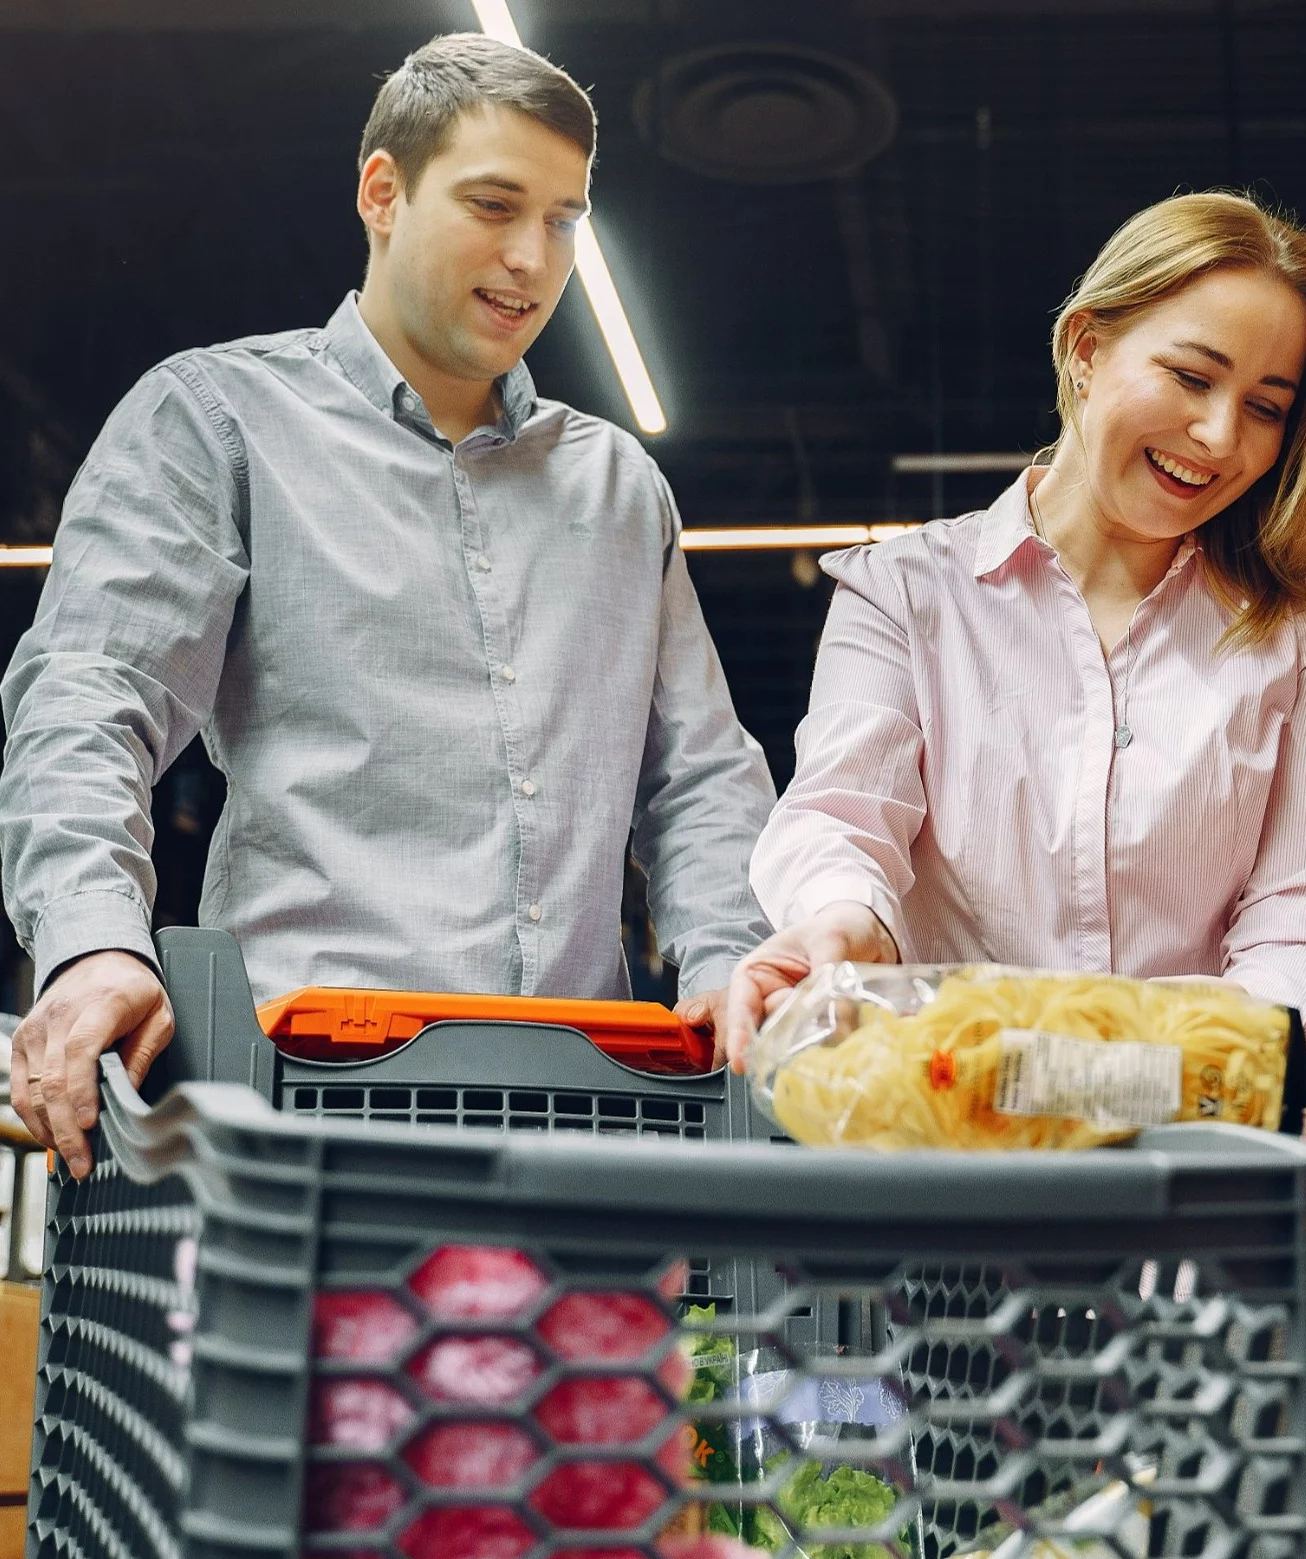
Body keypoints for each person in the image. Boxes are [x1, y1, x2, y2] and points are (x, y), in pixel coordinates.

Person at [0, 34, 776, 1178]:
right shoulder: (217, 423)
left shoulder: (616, 487)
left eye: (563, 220)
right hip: (300, 1120)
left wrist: (732, 963)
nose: (531, 258)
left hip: (586, 1127)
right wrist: (90, 946)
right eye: (494, 204)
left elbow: (699, 777)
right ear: (382, 192)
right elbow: (90, 698)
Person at [731, 190, 1306, 1070]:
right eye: (1193, 377)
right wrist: (845, 925)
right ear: (1086, 348)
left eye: (1267, 407)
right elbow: (842, 817)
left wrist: (1152, 1073)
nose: (1220, 434)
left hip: (1207, 1142)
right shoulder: (905, 593)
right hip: (955, 1125)